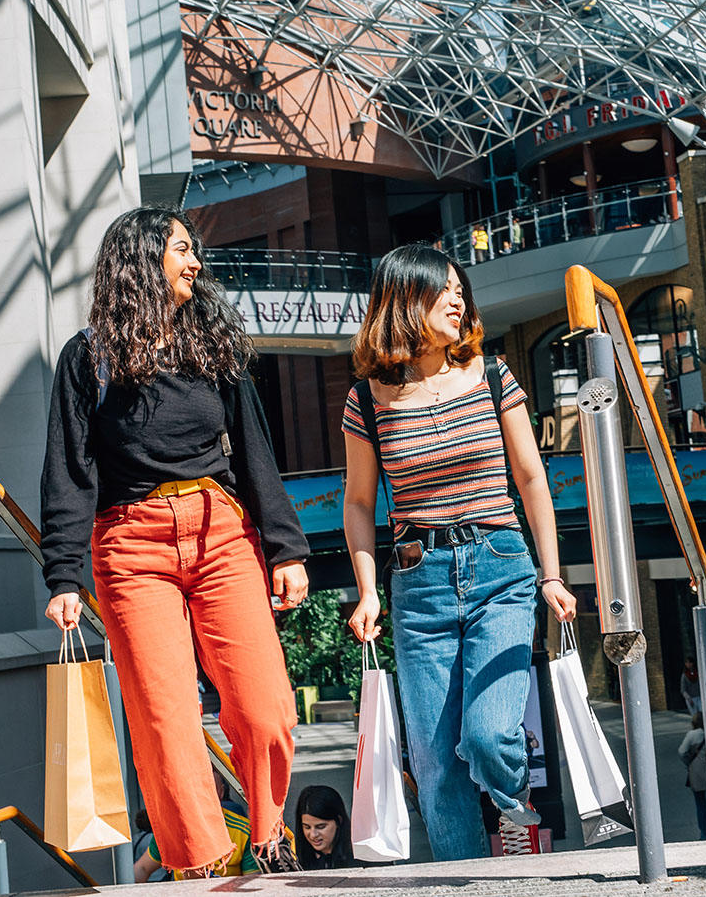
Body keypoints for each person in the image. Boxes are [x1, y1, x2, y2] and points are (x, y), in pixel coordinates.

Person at [40, 207, 310, 877]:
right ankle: (204, 867)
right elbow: (71, 470)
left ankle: (268, 830)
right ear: (142, 259)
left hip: (221, 533)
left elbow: (254, 449)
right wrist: (64, 577)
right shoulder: (88, 358)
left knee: (265, 703)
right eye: (182, 250)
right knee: (165, 720)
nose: (195, 262)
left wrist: (287, 547)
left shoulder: (211, 344)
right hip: (131, 548)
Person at [341, 243, 577, 861]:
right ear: (403, 299)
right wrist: (366, 589)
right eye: (440, 289)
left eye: (459, 289)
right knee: (435, 763)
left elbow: (531, 479)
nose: (457, 299)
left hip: (501, 567)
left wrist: (552, 575)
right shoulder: (367, 399)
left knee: (487, 732)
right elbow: (360, 504)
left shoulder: (494, 376)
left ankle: (512, 804)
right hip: (420, 584)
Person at [134, 772, 260, 880]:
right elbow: (143, 868)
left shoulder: (243, 831)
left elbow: (252, 880)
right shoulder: (172, 828)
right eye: (196, 789)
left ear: (220, 793)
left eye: (209, 789)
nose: (201, 795)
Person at [294, 785, 353, 869]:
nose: (313, 835)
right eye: (307, 827)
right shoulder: (295, 859)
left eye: (320, 827)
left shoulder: (360, 857)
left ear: (339, 821)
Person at [677, 711, 706, 840]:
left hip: (697, 771)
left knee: (700, 804)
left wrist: (688, 764)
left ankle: (705, 833)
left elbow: (682, 751)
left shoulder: (692, 735)